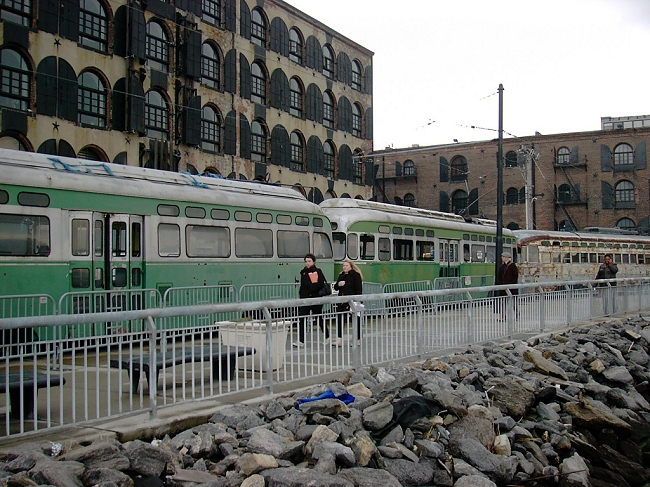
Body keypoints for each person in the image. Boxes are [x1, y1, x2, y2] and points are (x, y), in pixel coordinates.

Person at [295, 253, 329, 347]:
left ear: (313, 261)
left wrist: (312, 286)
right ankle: (301, 340)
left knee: (318, 317)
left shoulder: (317, 271)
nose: (307, 263)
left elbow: (320, 284)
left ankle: (327, 336)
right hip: (305, 299)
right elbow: (303, 286)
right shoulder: (304, 272)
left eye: (309, 261)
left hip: (315, 298)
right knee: (302, 318)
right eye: (306, 261)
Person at [333, 260, 363, 347]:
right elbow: (335, 287)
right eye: (343, 266)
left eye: (346, 265)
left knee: (356, 320)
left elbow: (358, 288)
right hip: (342, 301)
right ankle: (339, 340)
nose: (344, 267)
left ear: (351, 266)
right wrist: (339, 284)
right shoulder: (341, 275)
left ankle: (357, 340)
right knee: (340, 320)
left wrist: (359, 300)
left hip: (353, 301)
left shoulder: (355, 275)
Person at [496, 251, 518, 321]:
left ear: (507, 258)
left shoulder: (513, 266)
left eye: (503, 257)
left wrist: (511, 284)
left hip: (511, 288)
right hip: (503, 288)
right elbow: (499, 276)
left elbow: (515, 276)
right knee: (503, 303)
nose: (502, 258)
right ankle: (502, 316)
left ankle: (517, 314)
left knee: (513, 303)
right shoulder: (502, 267)